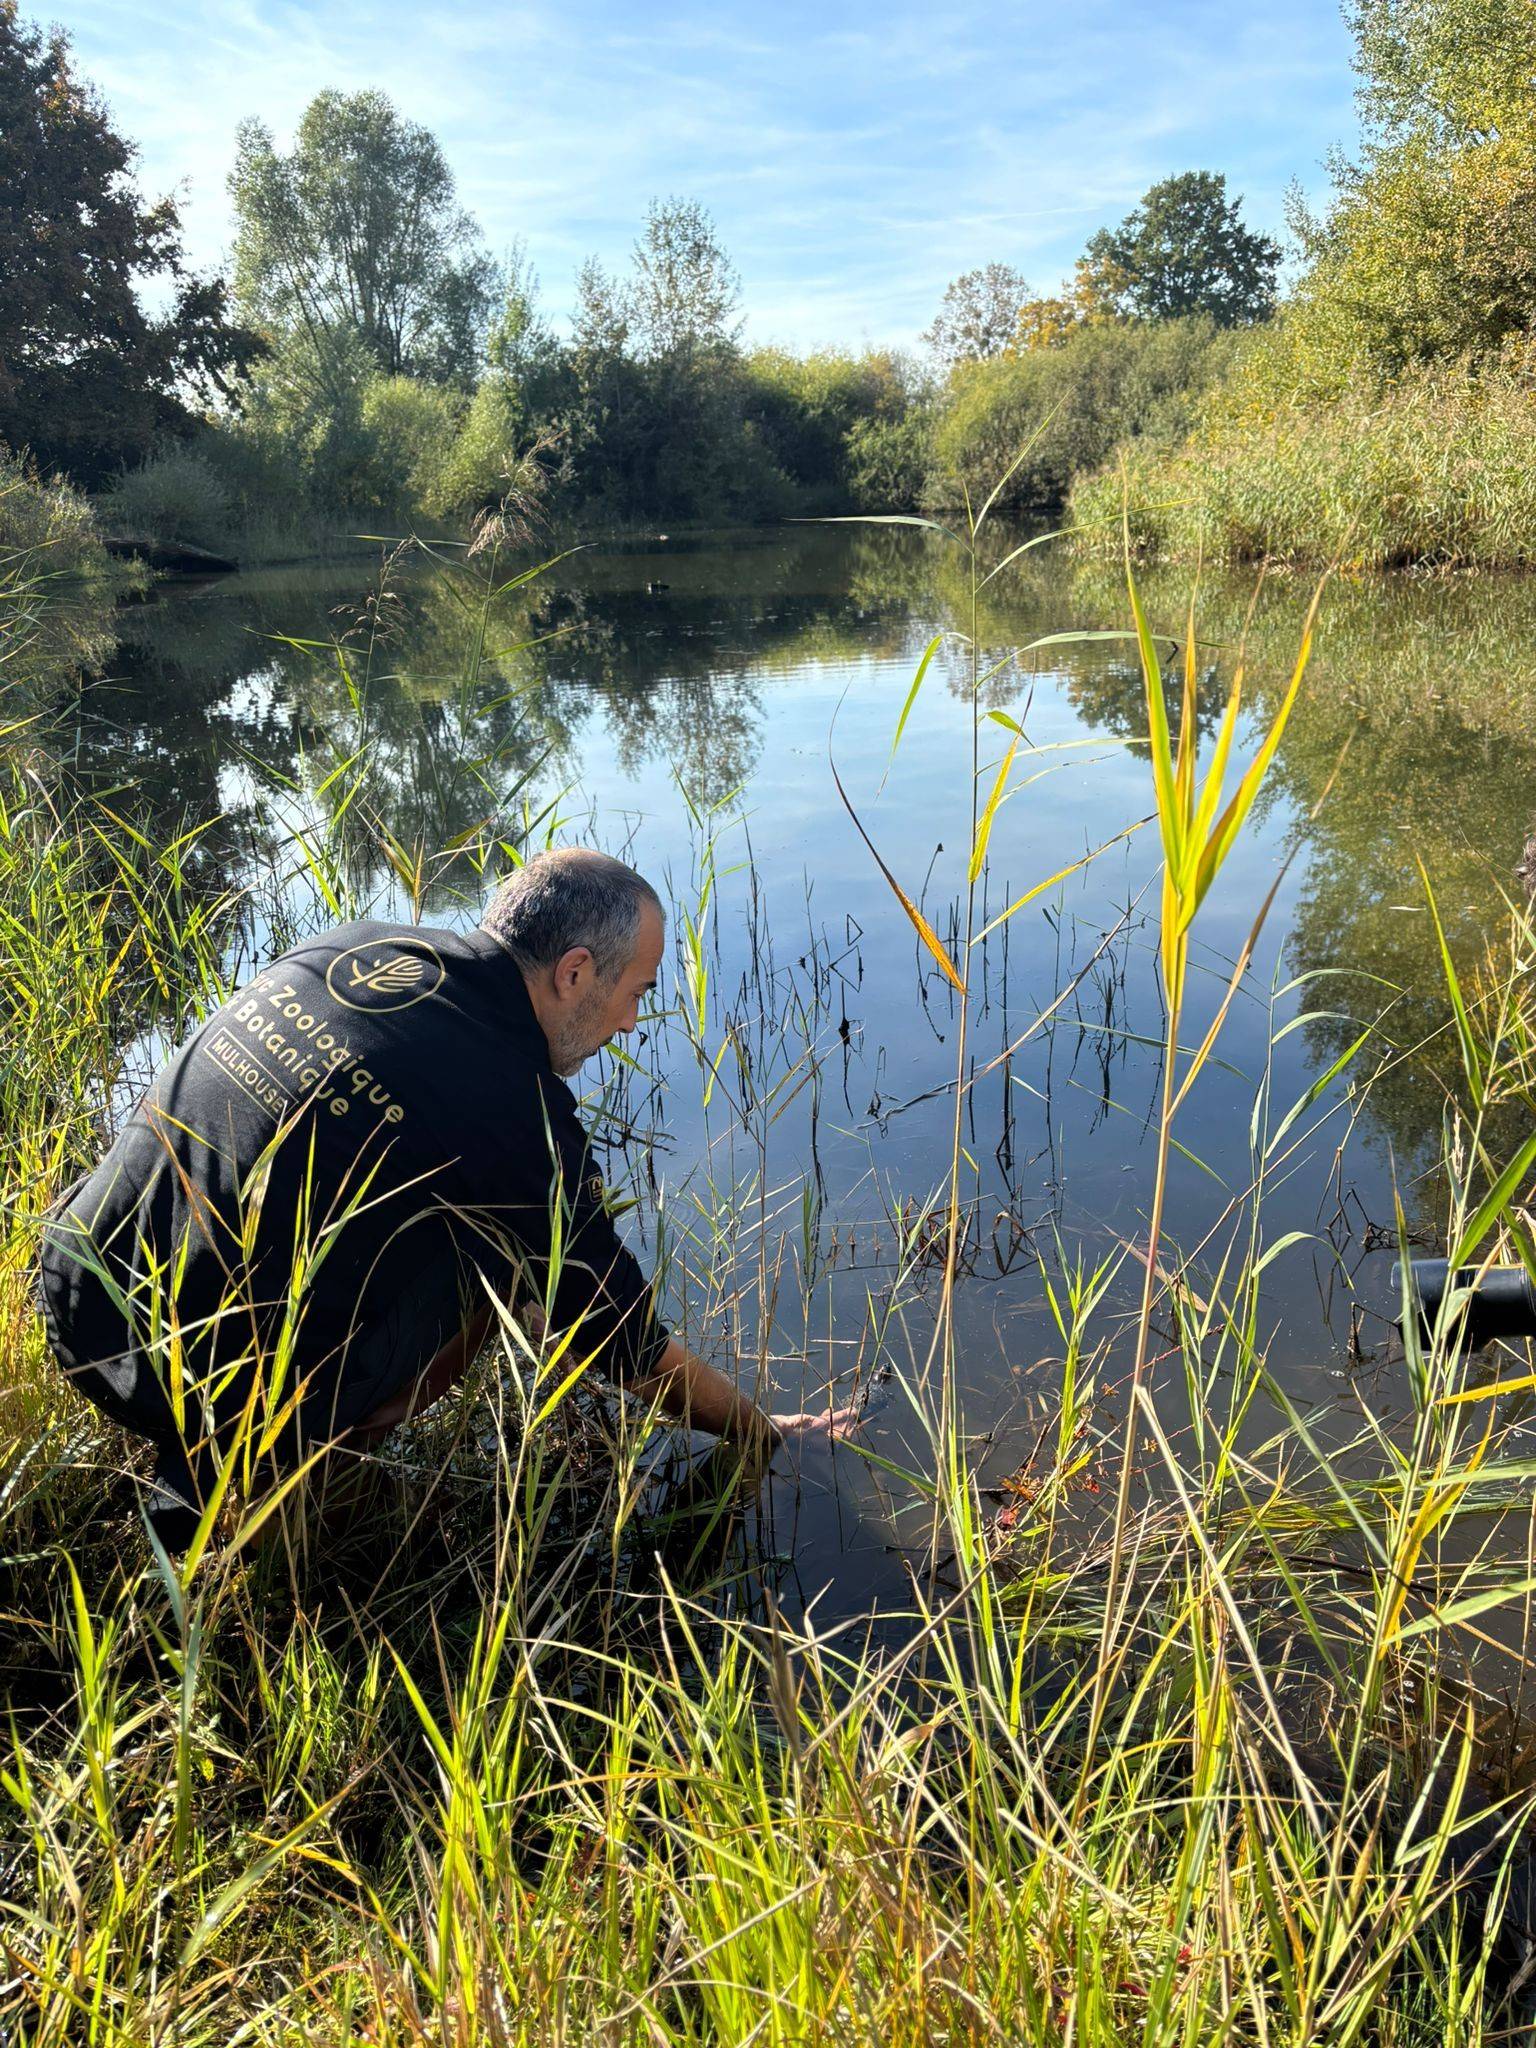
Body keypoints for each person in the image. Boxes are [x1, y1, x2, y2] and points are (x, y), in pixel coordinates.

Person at [39, 849, 848, 1546]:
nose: (633, 1022)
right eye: (635, 991)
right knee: (499, 1267)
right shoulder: (513, 1108)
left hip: (74, 1289)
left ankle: (226, 1454)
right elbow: (621, 1341)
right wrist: (760, 1429)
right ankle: (281, 1483)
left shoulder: (357, 944)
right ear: (574, 972)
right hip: (187, 1391)